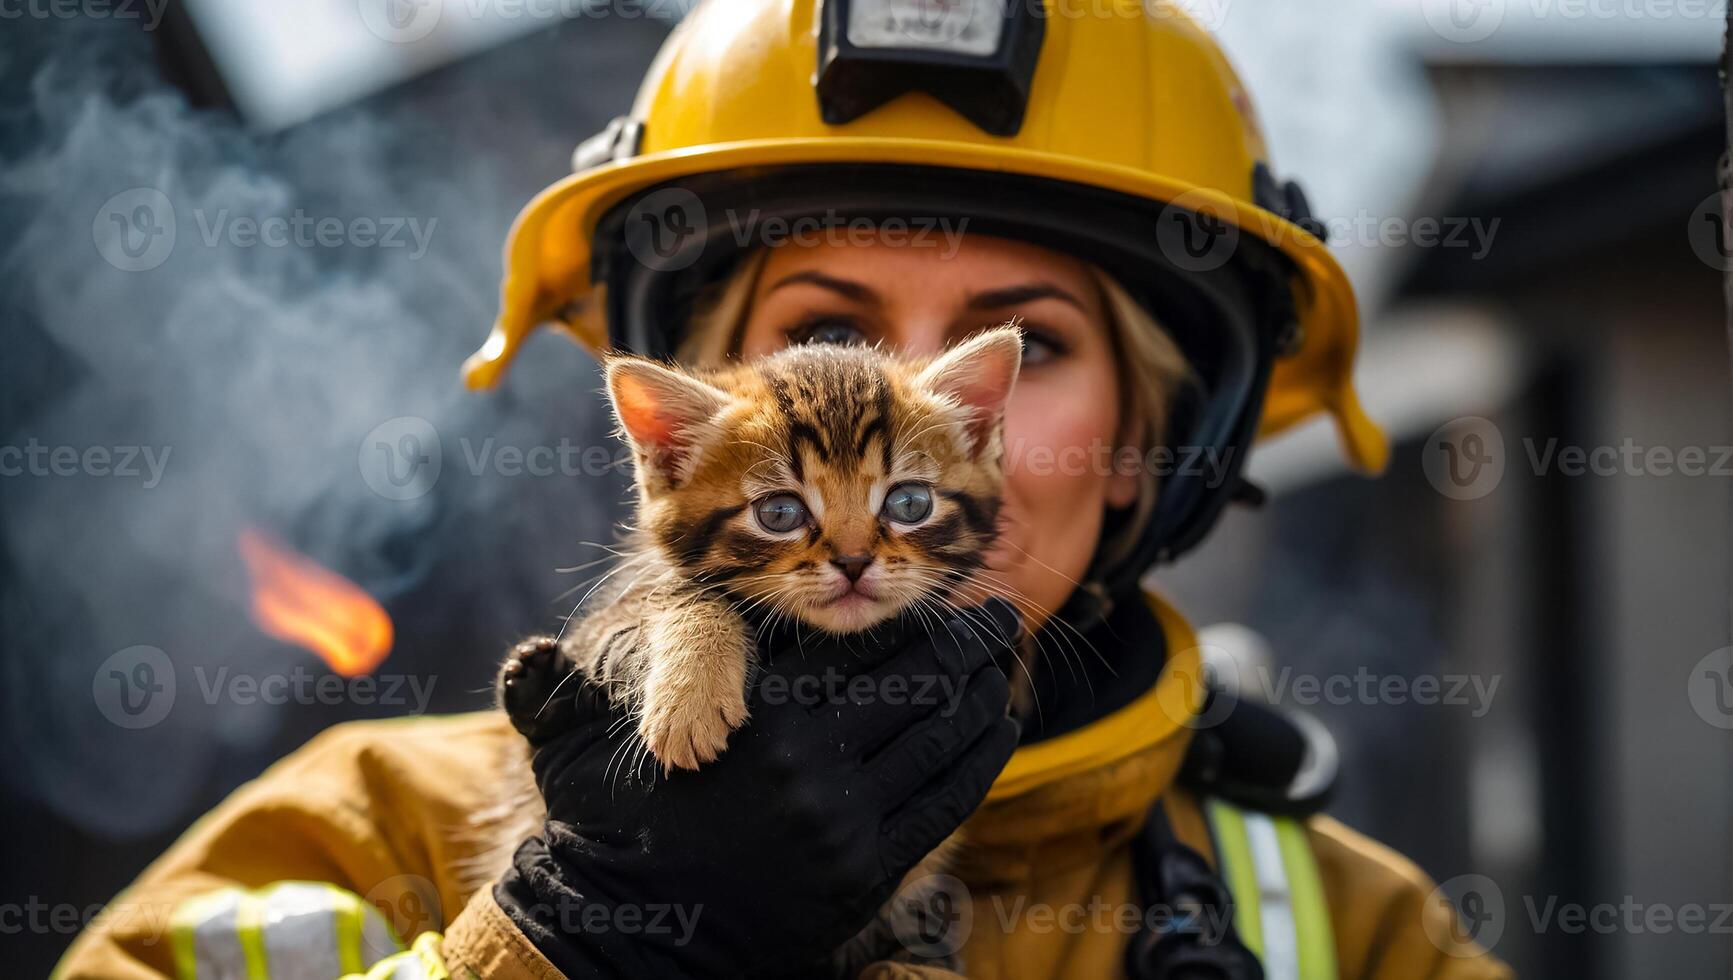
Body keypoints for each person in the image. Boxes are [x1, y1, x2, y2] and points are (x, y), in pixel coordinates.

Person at [58, 1, 1511, 977]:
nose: (909, 418)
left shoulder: (1352, 932)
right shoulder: (375, 831)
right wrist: (577, 938)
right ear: (683, 422)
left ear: (1167, 443)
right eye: (827, 331)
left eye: (1028, 345)